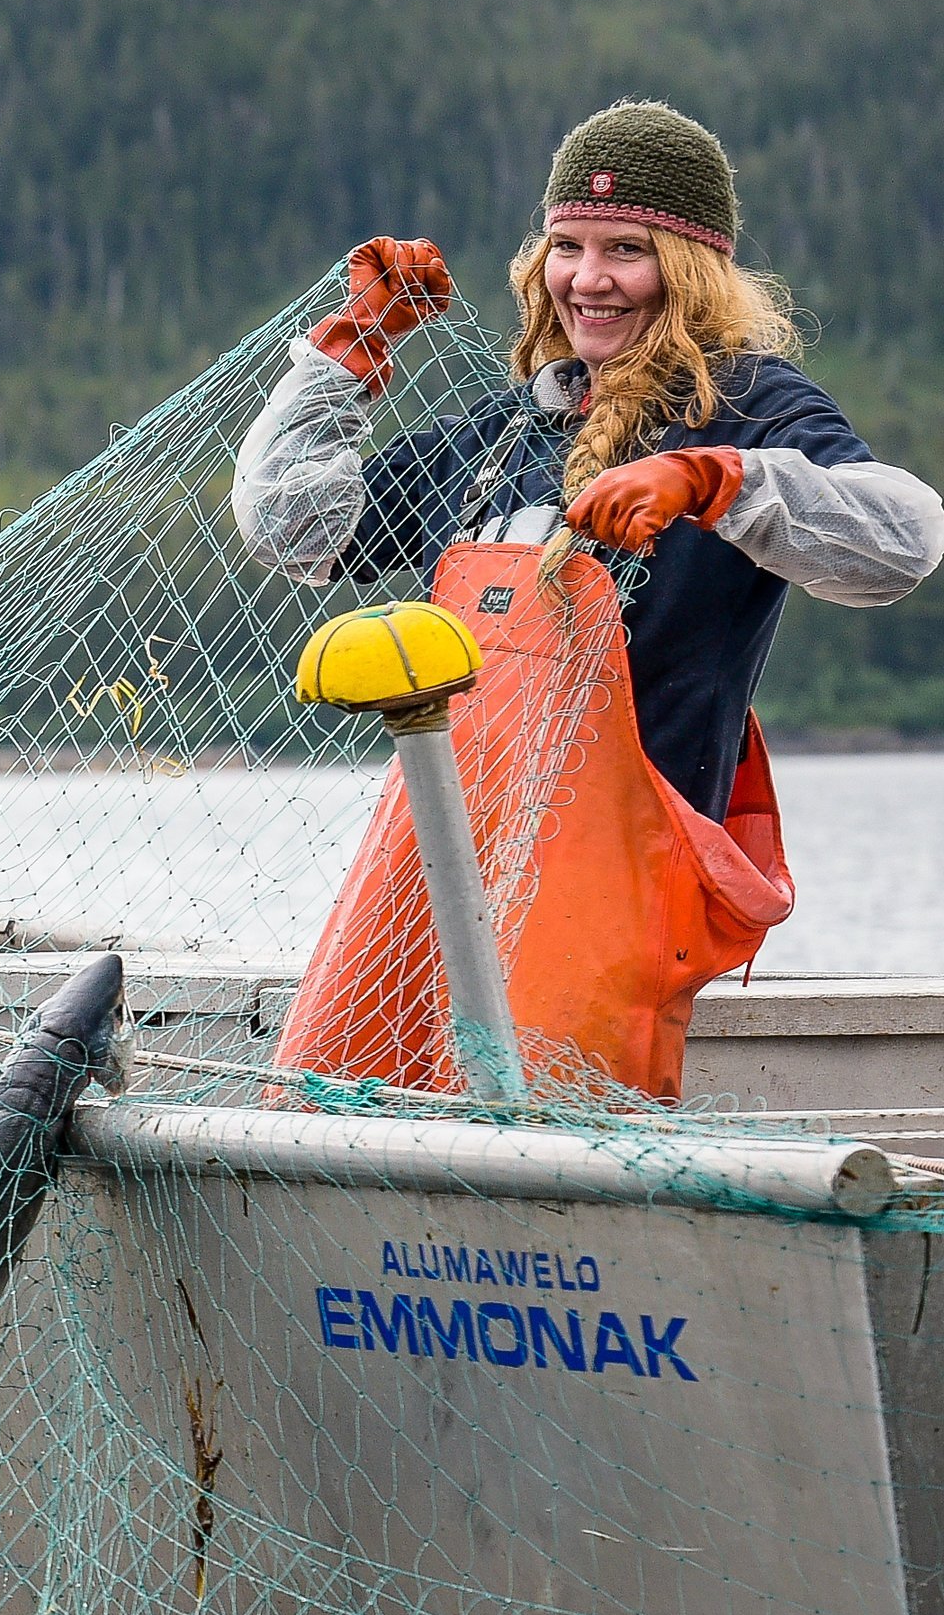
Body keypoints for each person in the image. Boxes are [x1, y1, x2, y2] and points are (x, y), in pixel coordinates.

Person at [232, 97, 942, 1096]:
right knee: (335, 1109)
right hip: (442, 887)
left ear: (690, 269)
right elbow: (287, 522)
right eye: (567, 245)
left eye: (627, 248)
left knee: (544, 1153)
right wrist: (347, 355)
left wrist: (718, 478)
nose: (589, 278)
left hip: (612, 904)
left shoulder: (751, 404)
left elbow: (904, 538)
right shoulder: (504, 437)